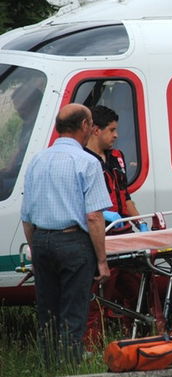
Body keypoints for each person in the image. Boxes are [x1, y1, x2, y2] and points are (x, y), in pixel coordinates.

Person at [21, 104, 112, 364]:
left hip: (41, 240)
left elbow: (26, 217)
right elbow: (94, 217)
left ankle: (49, 366)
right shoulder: (87, 162)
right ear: (84, 126)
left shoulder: (37, 161)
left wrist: (36, 250)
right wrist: (102, 261)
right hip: (73, 243)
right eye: (91, 123)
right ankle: (70, 367)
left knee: (47, 311)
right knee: (74, 311)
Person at [83, 105, 146, 344]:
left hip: (124, 234)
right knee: (99, 297)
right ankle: (92, 347)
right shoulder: (83, 161)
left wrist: (140, 224)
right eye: (112, 130)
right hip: (103, 236)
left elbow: (125, 197)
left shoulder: (116, 158)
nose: (116, 135)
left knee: (138, 289)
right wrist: (106, 218)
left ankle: (138, 336)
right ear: (96, 130)